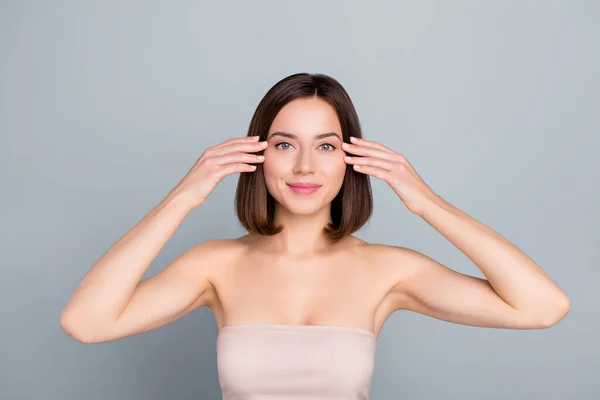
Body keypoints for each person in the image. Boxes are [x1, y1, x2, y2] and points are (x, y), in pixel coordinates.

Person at [60, 72, 571, 399]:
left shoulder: (386, 271)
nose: (305, 165)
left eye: (326, 147)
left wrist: (424, 201)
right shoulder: (214, 266)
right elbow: (86, 322)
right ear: (258, 155)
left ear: (350, 160)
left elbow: (541, 307)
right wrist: (182, 198)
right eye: (285, 144)